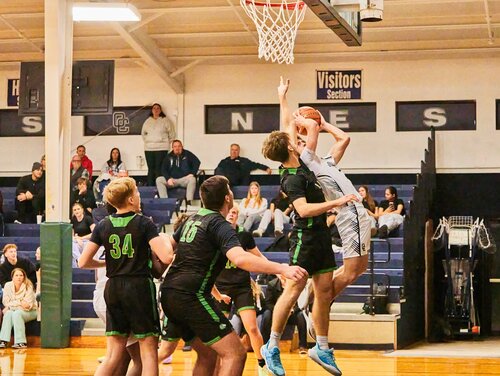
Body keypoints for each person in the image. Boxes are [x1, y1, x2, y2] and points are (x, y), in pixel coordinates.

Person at [160, 175, 307, 376]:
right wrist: (282, 269)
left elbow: (168, 244)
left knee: (208, 355)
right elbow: (240, 258)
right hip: (191, 296)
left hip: (169, 293)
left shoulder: (192, 219)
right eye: (229, 189)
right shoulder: (219, 224)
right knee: (235, 353)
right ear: (228, 197)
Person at [261, 97, 358, 375]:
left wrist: (281, 98)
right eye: (293, 138)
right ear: (291, 146)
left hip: (321, 236)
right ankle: (272, 345)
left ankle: (322, 348)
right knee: (293, 289)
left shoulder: (301, 160)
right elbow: (302, 210)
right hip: (304, 235)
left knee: (324, 291)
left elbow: (285, 126)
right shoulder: (292, 176)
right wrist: (335, 203)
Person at [78, 177, 173, 376]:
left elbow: (83, 262)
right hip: (138, 287)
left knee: (113, 354)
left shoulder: (103, 224)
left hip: (112, 287)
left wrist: (106, 263)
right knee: (148, 353)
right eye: (137, 192)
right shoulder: (144, 223)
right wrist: (166, 243)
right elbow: (166, 256)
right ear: (130, 199)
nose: (139, 195)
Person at [214, 205, 268, 374]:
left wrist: (277, 271)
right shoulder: (216, 233)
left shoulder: (244, 235)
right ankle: (216, 365)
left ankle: (262, 364)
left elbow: (259, 256)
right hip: (221, 286)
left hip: (241, 286)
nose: (231, 214)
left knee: (252, 327)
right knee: (218, 329)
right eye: (229, 211)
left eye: (235, 212)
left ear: (238, 216)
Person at [260, 275, 308, 354]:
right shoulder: (272, 285)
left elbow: (300, 304)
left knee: (301, 316)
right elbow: (268, 304)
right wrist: (280, 310)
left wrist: (292, 310)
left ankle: (303, 346)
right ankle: (265, 344)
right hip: (275, 314)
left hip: (292, 313)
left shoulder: (296, 284)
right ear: (280, 277)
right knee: (266, 315)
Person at [0, 268, 38, 349]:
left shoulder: (29, 286)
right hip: (15, 310)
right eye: (16, 275)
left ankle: (21, 342)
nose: (19, 277)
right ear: (12, 277)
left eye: (21, 275)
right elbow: (5, 302)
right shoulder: (7, 285)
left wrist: (11, 305)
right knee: (8, 313)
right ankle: (3, 341)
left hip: (32, 311)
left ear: (24, 277)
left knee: (17, 313)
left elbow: (27, 305)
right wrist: (20, 302)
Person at [155, 139, 200, 206]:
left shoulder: (187, 154)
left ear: (182, 147)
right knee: (159, 180)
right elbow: (163, 169)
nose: (177, 148)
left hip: (184, 180)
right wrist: (168, 178)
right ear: (172, 148)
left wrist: (192, 173)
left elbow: (197, 162)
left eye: (179, 146)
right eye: (175, 146)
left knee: (192, 179)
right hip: (172, 180)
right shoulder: (168, 156)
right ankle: (165, 202)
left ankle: (189, 202)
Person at [141, 103, 176, 186]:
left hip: (162, 148)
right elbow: (143, 134)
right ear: (152, 110)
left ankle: (159, 188)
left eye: (158, 108)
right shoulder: (147, 121)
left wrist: (165, 142)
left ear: (160, 110)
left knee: (159, 169)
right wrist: (148, 141)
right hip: (149, 148)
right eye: (154, 108)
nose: (156, 110)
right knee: (151, 169)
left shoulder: (165, 120)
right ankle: (150, 187)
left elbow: (172, 134)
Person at [71, 202, 95, 268]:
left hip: (87, 242)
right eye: (75, 210)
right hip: (77, 242)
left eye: (78, 209)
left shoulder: (88, 218)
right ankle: (79, 260)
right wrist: (77, 239)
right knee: (69, 243)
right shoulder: (73, 220)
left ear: (82, 210)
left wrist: (81, 238)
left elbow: (95, 233)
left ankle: (80, 261)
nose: (76, 211)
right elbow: (72, 235)